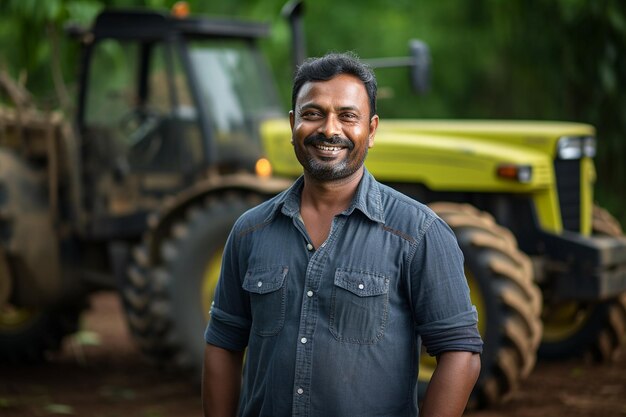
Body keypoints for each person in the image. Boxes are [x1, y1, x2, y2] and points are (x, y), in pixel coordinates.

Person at [202, 52, 483, 417]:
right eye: (312, 114)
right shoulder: (250, 231)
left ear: (372, 128)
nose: (329, 129)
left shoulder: (418, 233)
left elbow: (460, 353)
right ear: (292, 124)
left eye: (347, 115)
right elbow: (223, 344)